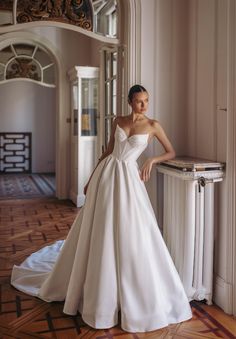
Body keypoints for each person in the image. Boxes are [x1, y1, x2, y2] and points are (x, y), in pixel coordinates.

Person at [11, 85, 192, 333]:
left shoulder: (153, 125)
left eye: (146, 101)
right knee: (102, 227)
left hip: (129, 179)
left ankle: (130, 290)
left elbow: (170, 151)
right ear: (130, 102)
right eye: (139, 101)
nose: (144, 105)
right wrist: (90, 177)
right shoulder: (118, 120)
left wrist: (151, 159)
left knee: (132, 229)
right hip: (106, 176)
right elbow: (108, 151)